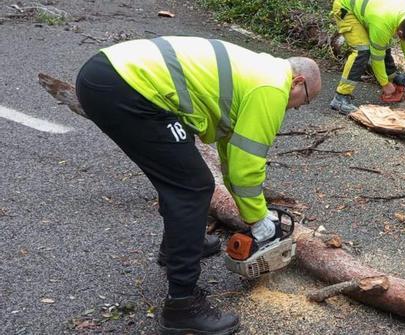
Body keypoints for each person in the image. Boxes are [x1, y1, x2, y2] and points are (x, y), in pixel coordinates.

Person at [75, 36, 321, 335]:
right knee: (192, 187)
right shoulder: (272, 88)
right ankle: (182, 304)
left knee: (179, 174)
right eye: (304, 101)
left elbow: (232, 156)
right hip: (127, 86)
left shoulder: (262, 71)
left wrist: (250, 211)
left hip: (113, 75)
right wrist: (258, 220)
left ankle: (178, 246)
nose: (297, 109)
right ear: (297, 82)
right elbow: (246, 168)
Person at [328, 0, 405, 114]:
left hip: (373, 5)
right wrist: (384, 84)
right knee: (362, 50)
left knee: (381, 42)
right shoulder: (382, 25)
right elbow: (377, 58)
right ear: (400, 34)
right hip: (346, 6)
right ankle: (340, 98)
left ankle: (393, 78)